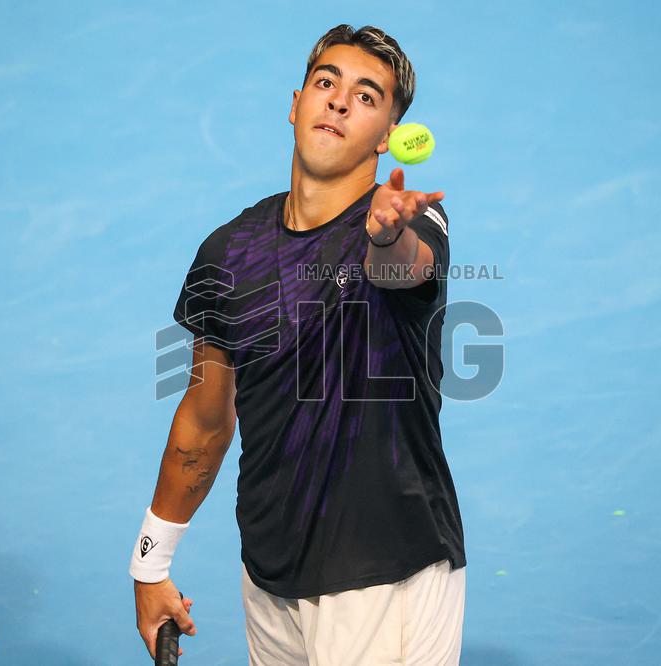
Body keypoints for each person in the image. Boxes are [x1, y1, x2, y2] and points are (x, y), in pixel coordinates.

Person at [131, 23, 466, 665]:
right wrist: (151, 562)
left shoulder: (412, 220)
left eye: (367, 97)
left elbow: (402, 266)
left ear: (390, 136)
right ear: (295, 104)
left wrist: (386, 234)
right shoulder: (228, 251)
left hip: (384, 574)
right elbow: (204, 424)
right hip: (270, 579)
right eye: (326, 83)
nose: (339, 101)